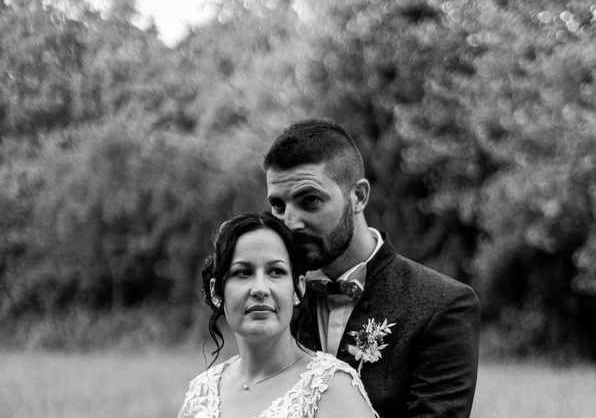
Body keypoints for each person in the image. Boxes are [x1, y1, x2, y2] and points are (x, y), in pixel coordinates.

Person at [263, 119, 480, 418]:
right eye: (278, 206)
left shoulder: (442, 306)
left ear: (359, 196)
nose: (290, 221)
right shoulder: (273, 299)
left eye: (309, 200)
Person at [177, 212, 378, 418]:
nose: (260, 289)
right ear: (217, 292)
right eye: (244, 272)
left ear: (297, 288)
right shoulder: (201, 394)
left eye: (276, 272)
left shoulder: (331, 389)